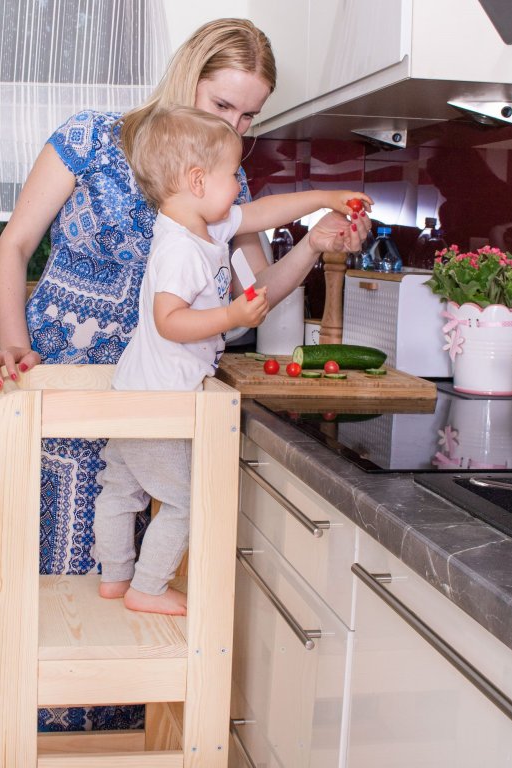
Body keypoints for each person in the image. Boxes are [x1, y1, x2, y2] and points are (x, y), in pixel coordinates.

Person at [0, 17, 373, 732]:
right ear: (187, 74)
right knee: (57, 564)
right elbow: (16, 245)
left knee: (134, 569)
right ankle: (33, 731)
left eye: (250, 116)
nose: (237, 126)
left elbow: (254, 292)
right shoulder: (90, 137)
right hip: (61, 381)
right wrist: (12, 345)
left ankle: (116, 737)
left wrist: (316, 242)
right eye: (223, 105)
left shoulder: (224, 178)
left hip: (156, 395)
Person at [94, 106, 372, 616]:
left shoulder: (205, 227)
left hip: (135, 388)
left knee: (120, 489)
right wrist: (232, 314)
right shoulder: (182, 248)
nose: (238, 186)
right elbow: (169, 321)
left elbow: (267, 211)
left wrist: (324, 198)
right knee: (185, 500)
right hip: (161, 400)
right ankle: (146, 587)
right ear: (198, 180)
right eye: (231, 175)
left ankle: (114, 578)